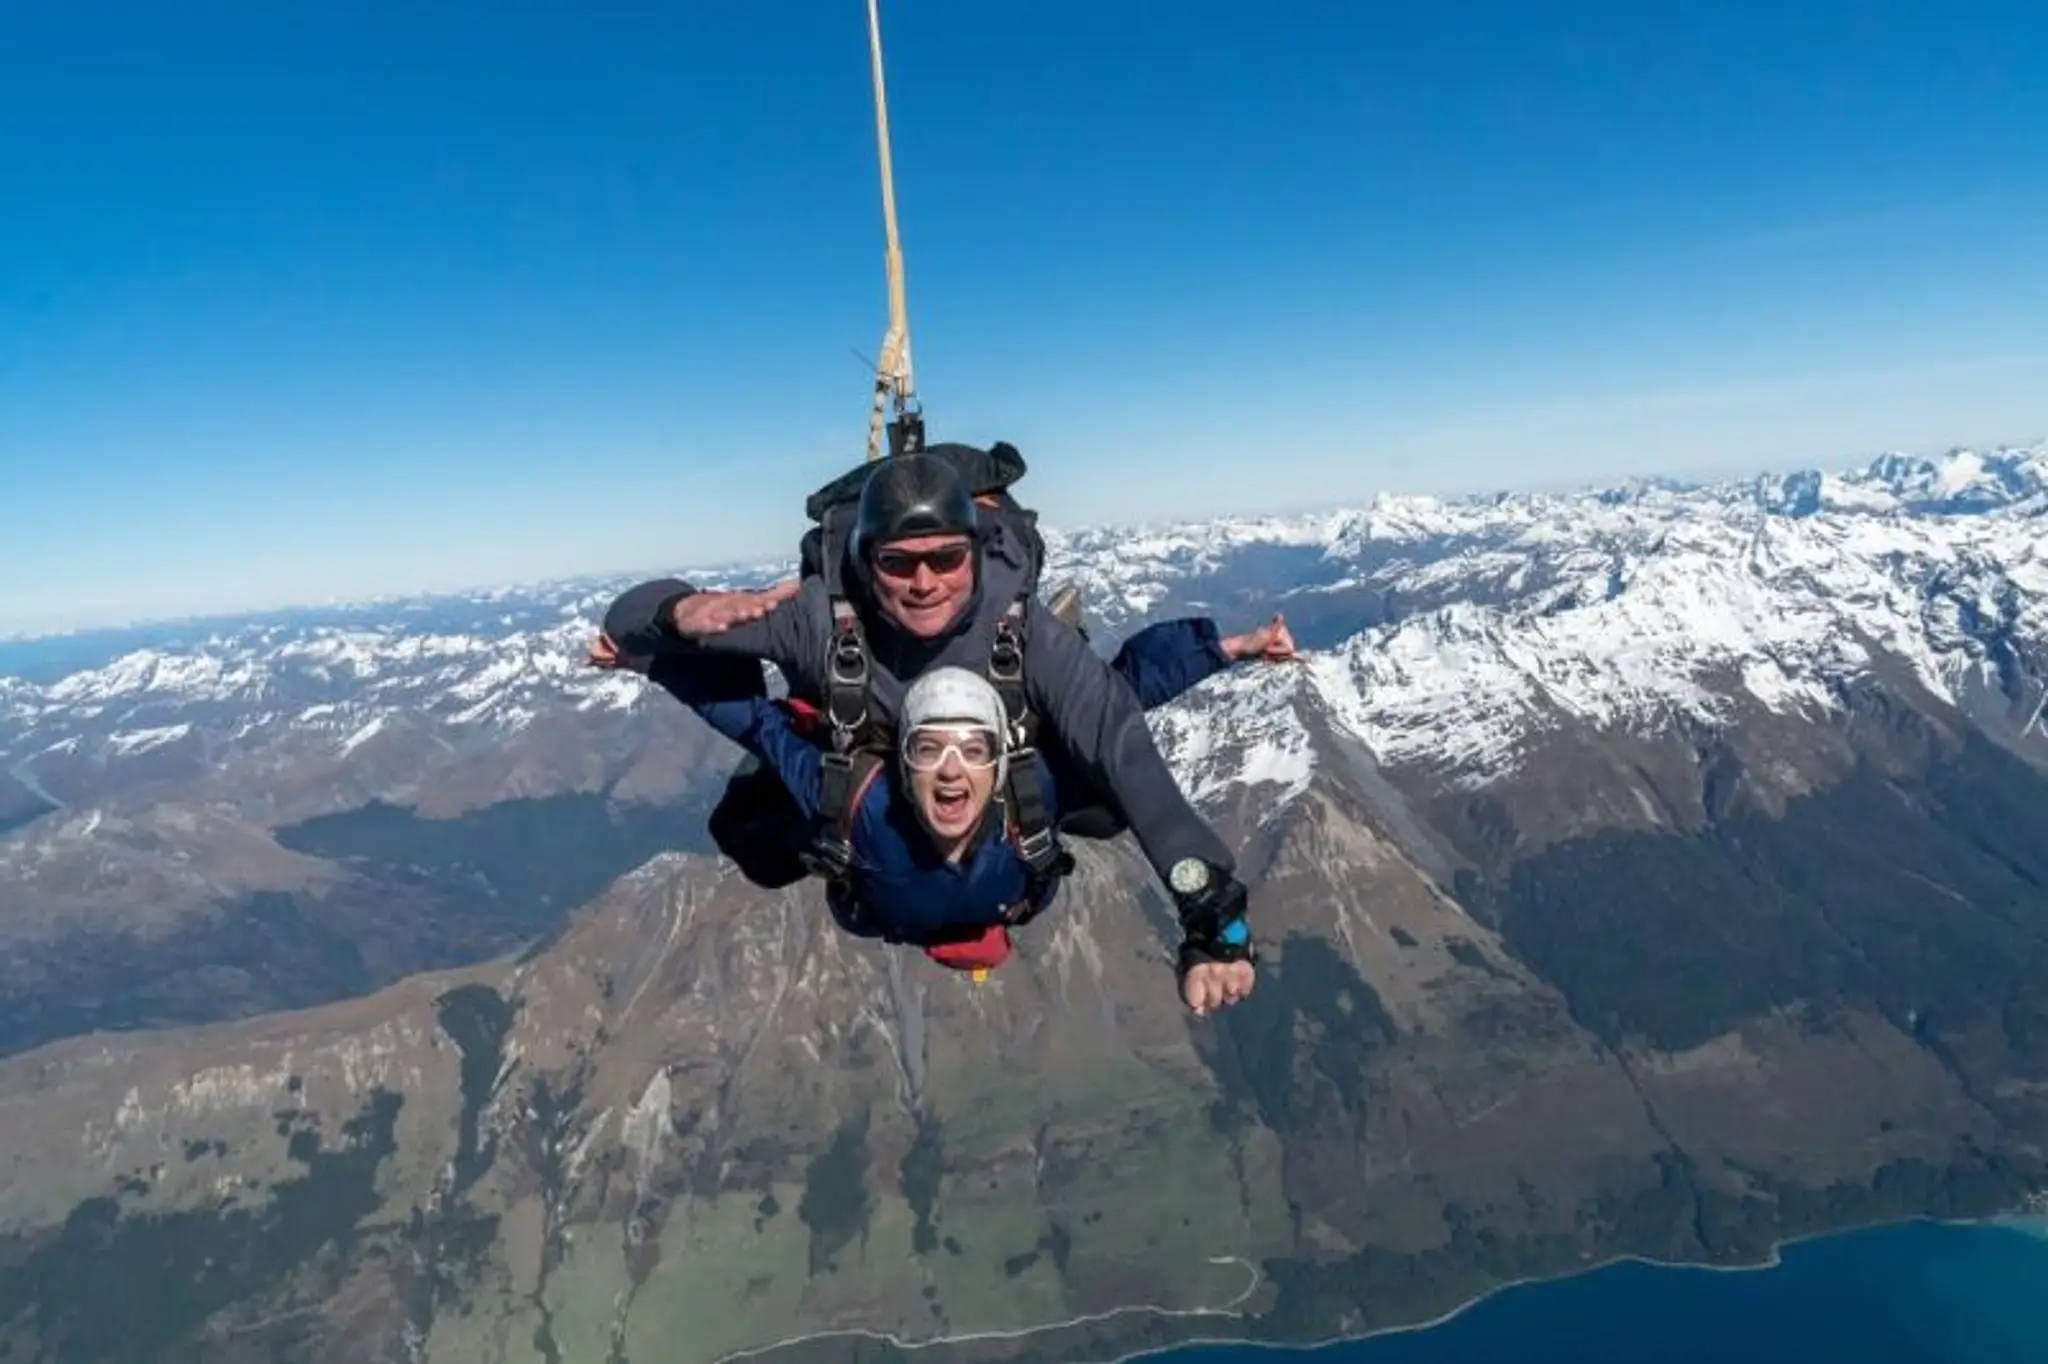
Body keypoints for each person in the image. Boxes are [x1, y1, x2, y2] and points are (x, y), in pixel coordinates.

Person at [603, 448, 1261, 1002]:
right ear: (864, 563)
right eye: (898, 563)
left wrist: (1211, 916)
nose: (924, 582)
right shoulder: (816, 620)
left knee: (1095, 779)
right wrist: (679, 615)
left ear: (976, 555)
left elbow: (1122, 748)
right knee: (756, 834)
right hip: (910, 755)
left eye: (946, 559)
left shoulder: (1021, 629)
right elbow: (624, 617)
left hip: (949, 756)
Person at [589, 613, 1296, 1014]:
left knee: (756, 834)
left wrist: (653, 662)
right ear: (904, 761)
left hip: (896, 862)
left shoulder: (872, 803)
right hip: (983, 853)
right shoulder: (1017, 795)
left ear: (994, 759)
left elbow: (751, 723)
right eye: (930, 749)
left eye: (969, 751)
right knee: (1103, 797)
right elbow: (1123, 697)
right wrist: (1229, 648)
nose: (953, 769)